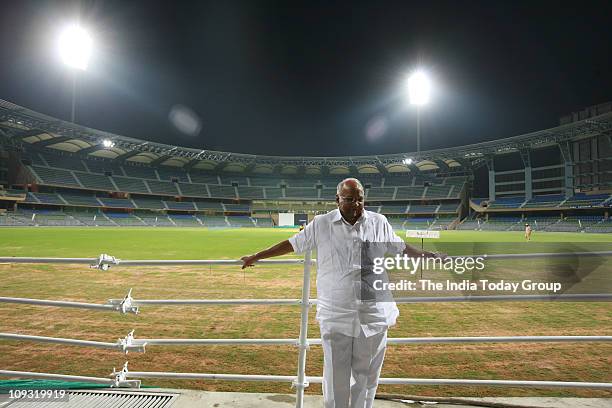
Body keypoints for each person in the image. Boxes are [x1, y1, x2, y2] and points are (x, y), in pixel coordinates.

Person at [241, 178, 438, 408]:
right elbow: (292, 244)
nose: (356, 204)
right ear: (337, 200)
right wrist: (257, 255)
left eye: (360, 199)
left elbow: (401, 248)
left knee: (366, 375)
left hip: (373, 313)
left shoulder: (379, 222)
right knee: (336, 375)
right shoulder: (322, 223)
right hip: (336, 313)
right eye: (349, 199)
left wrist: (431, 257)